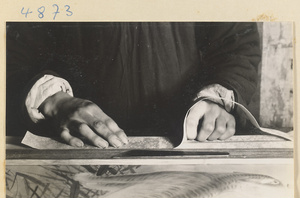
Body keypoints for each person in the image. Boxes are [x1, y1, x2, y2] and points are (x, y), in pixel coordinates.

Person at [6, 22, 261, 148]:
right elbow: (13, 51)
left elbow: (237, 45)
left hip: (190, 142)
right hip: (75, 143)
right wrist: (52, 100)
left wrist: (217, 97)